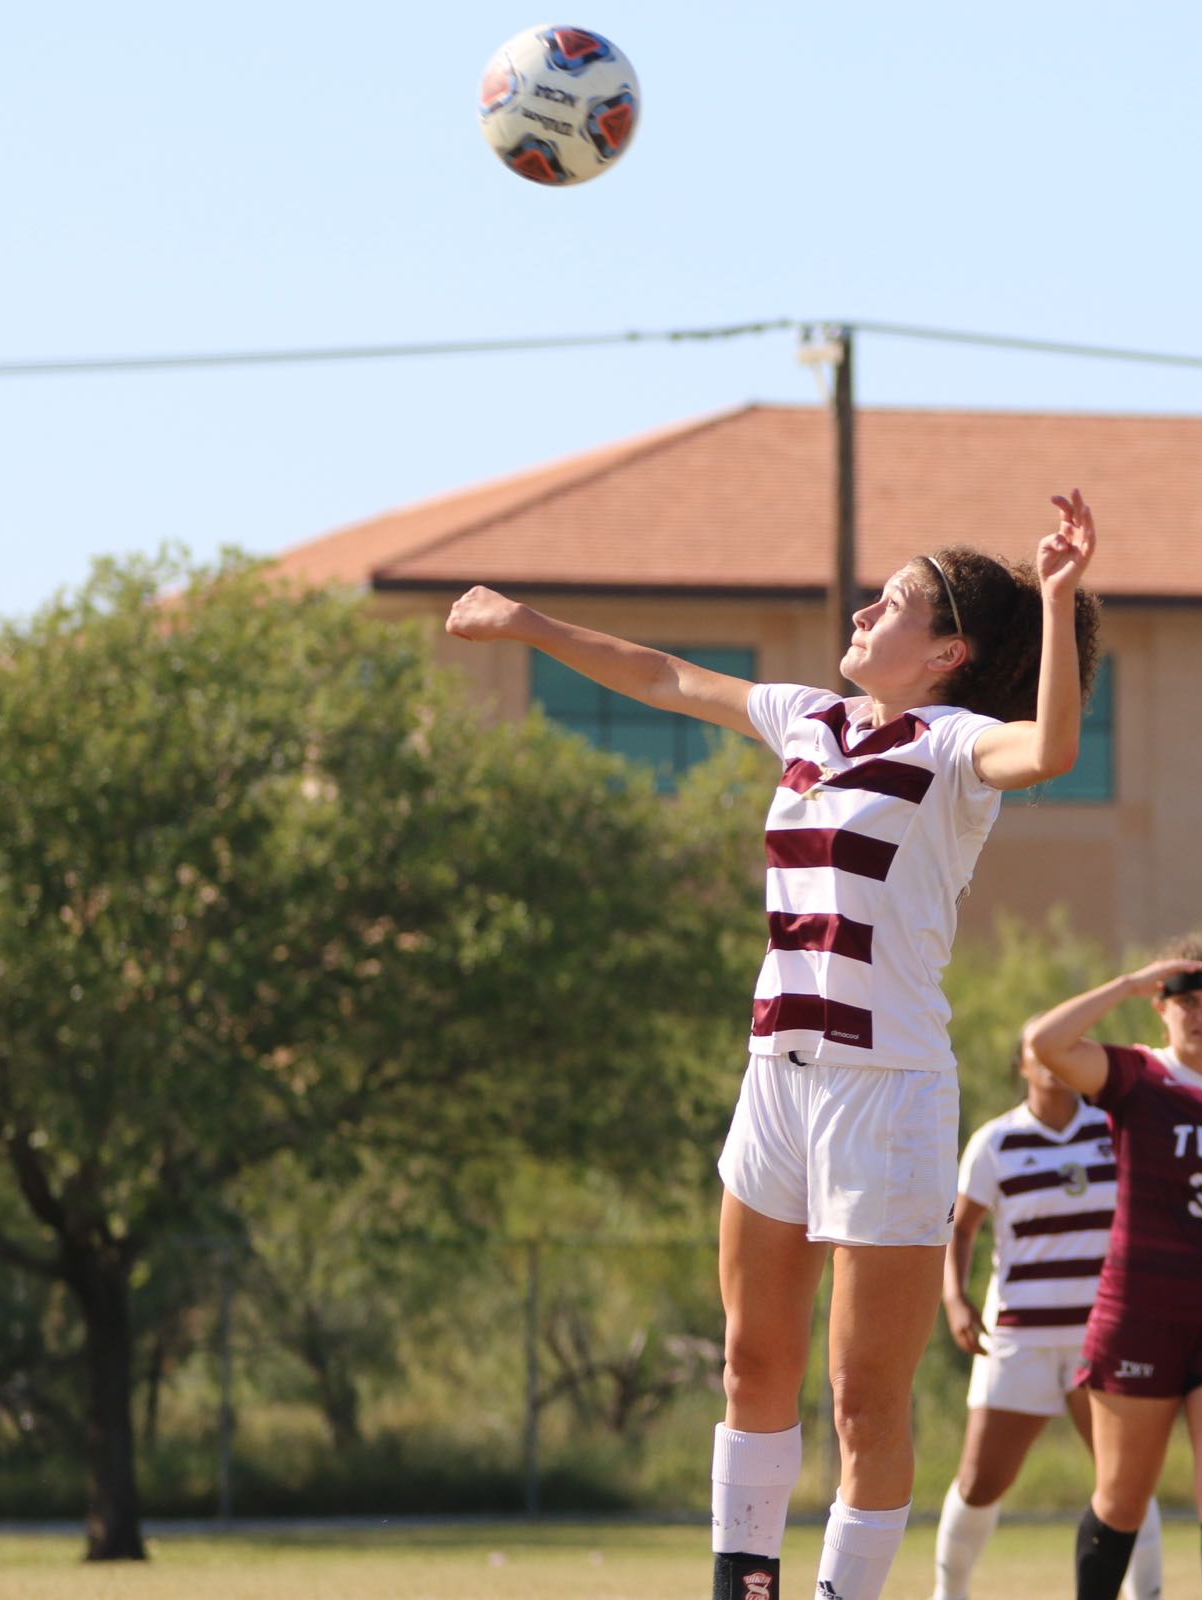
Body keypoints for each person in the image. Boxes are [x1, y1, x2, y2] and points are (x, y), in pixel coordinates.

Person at [445, 492, 1103, 1600]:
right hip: (775, 1078)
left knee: (861, 1400)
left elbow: (1054, 748)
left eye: (891, 602)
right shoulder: (807, 717)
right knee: (752, 1362)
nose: (861, 609)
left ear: (947, 651)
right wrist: (528, 625)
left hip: (885, 1094)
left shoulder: (951, 748)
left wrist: (1057, 597)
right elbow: (662, 674)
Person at [1023, 939, 1202, 1600]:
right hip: (1138, 1314)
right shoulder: (1135, 1075)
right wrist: (1127, 981)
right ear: (1164, 1008)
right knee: (1122, 1501)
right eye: (1187, 1001)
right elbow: (1044, 1042)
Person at [929, 1040, 1163, 1600]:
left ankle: (1148, 1592)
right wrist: (955, 1299)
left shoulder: (1112, 1127)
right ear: (1023, 1067)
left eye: (1066, 1050)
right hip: (1018, 1337)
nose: (1054, 1061)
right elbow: (960, 1229)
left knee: (1124, 1477)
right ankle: (948, 1592)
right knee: (981, 1481)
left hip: (1101, 1337)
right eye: (1041, 1052)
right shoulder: (995, 1141)